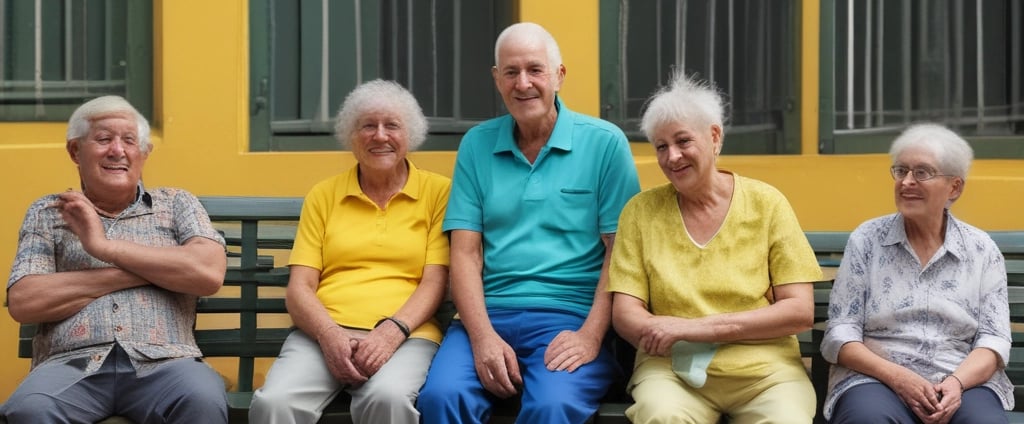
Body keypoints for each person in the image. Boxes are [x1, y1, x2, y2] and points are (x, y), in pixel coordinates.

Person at [416, 22, 641, 423]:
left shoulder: (604, 143)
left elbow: (620, 252)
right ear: (496, 79)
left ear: (559, 75)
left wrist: (591, 336)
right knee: (441, 396)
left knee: (552, 407)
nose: (523, 83)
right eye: (511, 72)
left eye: (535, 70)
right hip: (488, 314)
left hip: (570, 317)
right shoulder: (476, 144)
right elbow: (465, 254)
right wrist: (483, 336)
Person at [607, 72, 823, 424]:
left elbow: (799, 310)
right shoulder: (640, 212)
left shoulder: (767, 203)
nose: (672, 156)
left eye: (682, 141)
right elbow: (626, 314)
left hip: (765, 373)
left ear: (714, 136)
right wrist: (665, 336)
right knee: (661, 415)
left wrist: (691, 329)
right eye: (661, 147)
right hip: (671, 370)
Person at [0, 96, 229, 423]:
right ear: (75, 151)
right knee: (29, 409)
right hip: (71, 366)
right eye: (104, 139)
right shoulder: (48, 212)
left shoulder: (178, 203)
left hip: (167, 364)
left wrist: (101, 246)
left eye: (129, 141)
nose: (117, 151)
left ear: (144, 153)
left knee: (202, 398)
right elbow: (25, 300)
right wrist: (154, 270)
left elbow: (207, 273)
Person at [248, 79, 450, 424]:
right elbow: (299, 288)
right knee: (274, 403)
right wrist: (329, 334)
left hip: (407, 335)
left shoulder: (438, 192)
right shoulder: (324, 195)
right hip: (324, 332)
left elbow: (436, 281)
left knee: (388, 399)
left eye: (392, 125)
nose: (380, 136)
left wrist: (390, 333)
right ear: (350, 135)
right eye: (367, 125)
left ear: (411, 134)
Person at [821, 123, 1012, 424]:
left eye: (922, 172)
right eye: (901, 171)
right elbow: (840, 333)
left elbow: (994, 339)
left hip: (961, 381)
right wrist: (898, 377)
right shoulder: (867, 240)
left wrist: (956, 384)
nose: (907, 182)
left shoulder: (981, 249)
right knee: (866, 419)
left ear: (955, 187)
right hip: (877, 379)